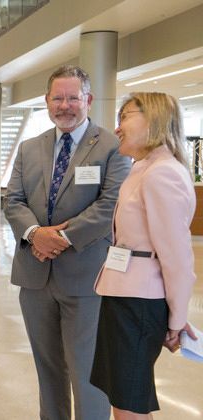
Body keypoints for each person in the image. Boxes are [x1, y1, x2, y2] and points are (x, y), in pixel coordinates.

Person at [3, 65, 131, 420]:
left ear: (87, 100)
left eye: (73, 97)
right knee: (48, 371)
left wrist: (58, 237)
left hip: (86, 277)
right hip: (35, 277)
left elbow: (110, 205)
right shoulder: (30, 148)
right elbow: (13, 201)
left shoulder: (112, 146)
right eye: (57, 97)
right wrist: (34, 234)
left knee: (87, 371)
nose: (65, 105)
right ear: (46, 101)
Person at [90, 92, 198, 419]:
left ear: (152, 120)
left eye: (125, 117)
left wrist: (177, 319)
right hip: (125, 296)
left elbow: (177, 257)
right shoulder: (143, 168)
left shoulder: (162, 172)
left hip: (138, 302)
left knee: (129, 405)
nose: (117, 127)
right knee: (125, 402)